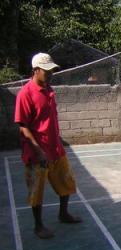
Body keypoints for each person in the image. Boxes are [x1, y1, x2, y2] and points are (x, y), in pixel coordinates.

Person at [14, 53, 81, 239]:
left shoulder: (49, 89)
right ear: (36, 70)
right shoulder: (25, 94)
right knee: (37, 190)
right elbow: (23, 127)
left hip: (55, 147)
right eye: (47, 71)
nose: (51, 73)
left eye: (52, 70)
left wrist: (57, 142)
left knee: (66, 181)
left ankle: (63, 214)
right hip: (37, 152)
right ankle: (38, 226)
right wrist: (38, 151)